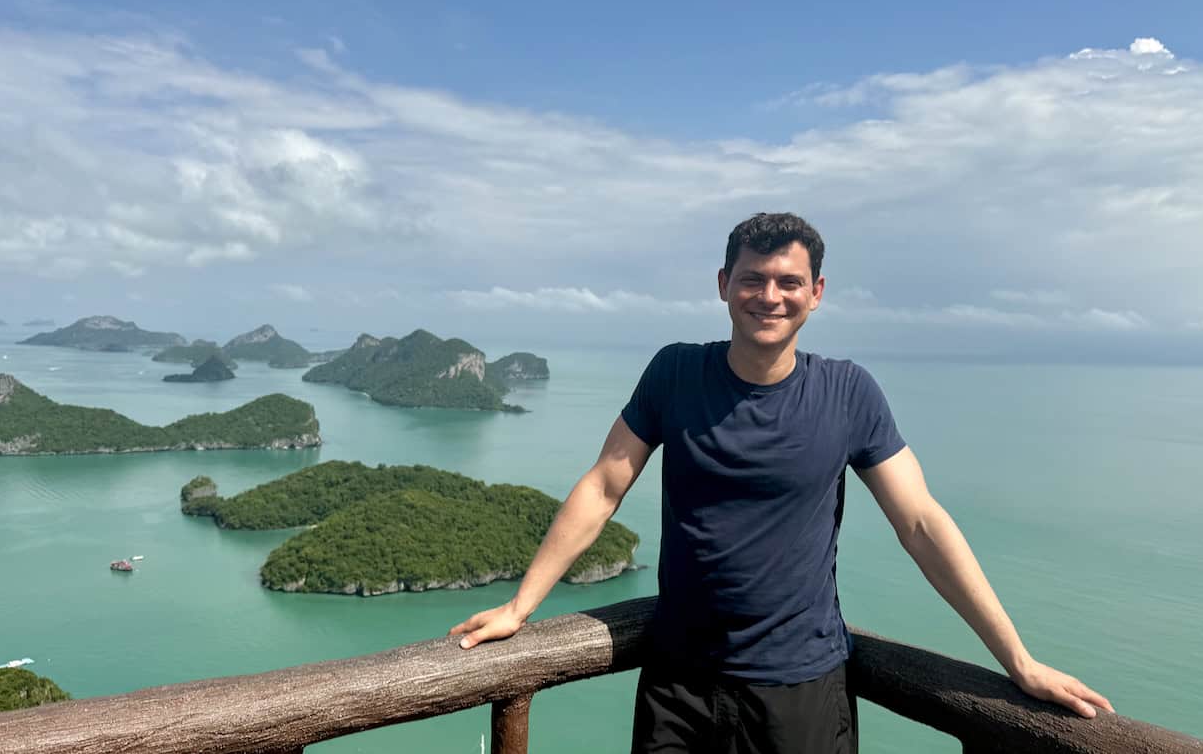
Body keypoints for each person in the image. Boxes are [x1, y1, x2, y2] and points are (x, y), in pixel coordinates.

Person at [450, 213, 1111, 753]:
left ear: (816, 291)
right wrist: (520, 605)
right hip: (679, 682)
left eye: (789, 281)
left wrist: (1018, 660)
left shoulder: (848, 392)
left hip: (800, 687)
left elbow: (921, 522)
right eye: (753, 278)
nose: (770, 295)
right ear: (723, 284)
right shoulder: (676, 373)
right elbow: (603, 486)